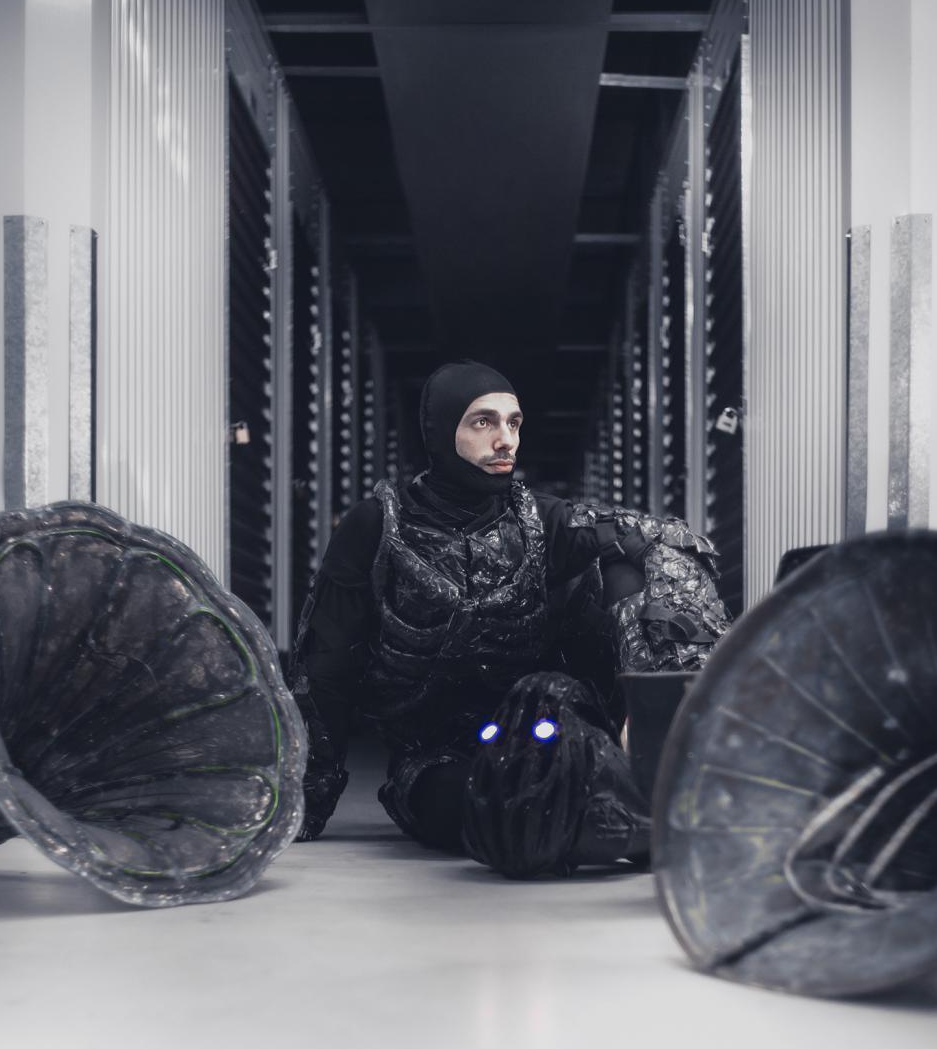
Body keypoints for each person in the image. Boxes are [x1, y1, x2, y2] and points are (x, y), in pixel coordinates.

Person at [289, 359, 729, 876]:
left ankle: (663, 778)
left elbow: (674, 539)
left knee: (640, 564)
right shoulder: (376, 527)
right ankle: (600, 821)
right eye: (484, 422)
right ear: (440, 431)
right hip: (439, 755)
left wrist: (653, 716)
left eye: (514, 423)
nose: (506, 440)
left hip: (553, 721)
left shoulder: (542, 517)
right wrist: (305, 801)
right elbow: (327, 664)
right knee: (467, 811)